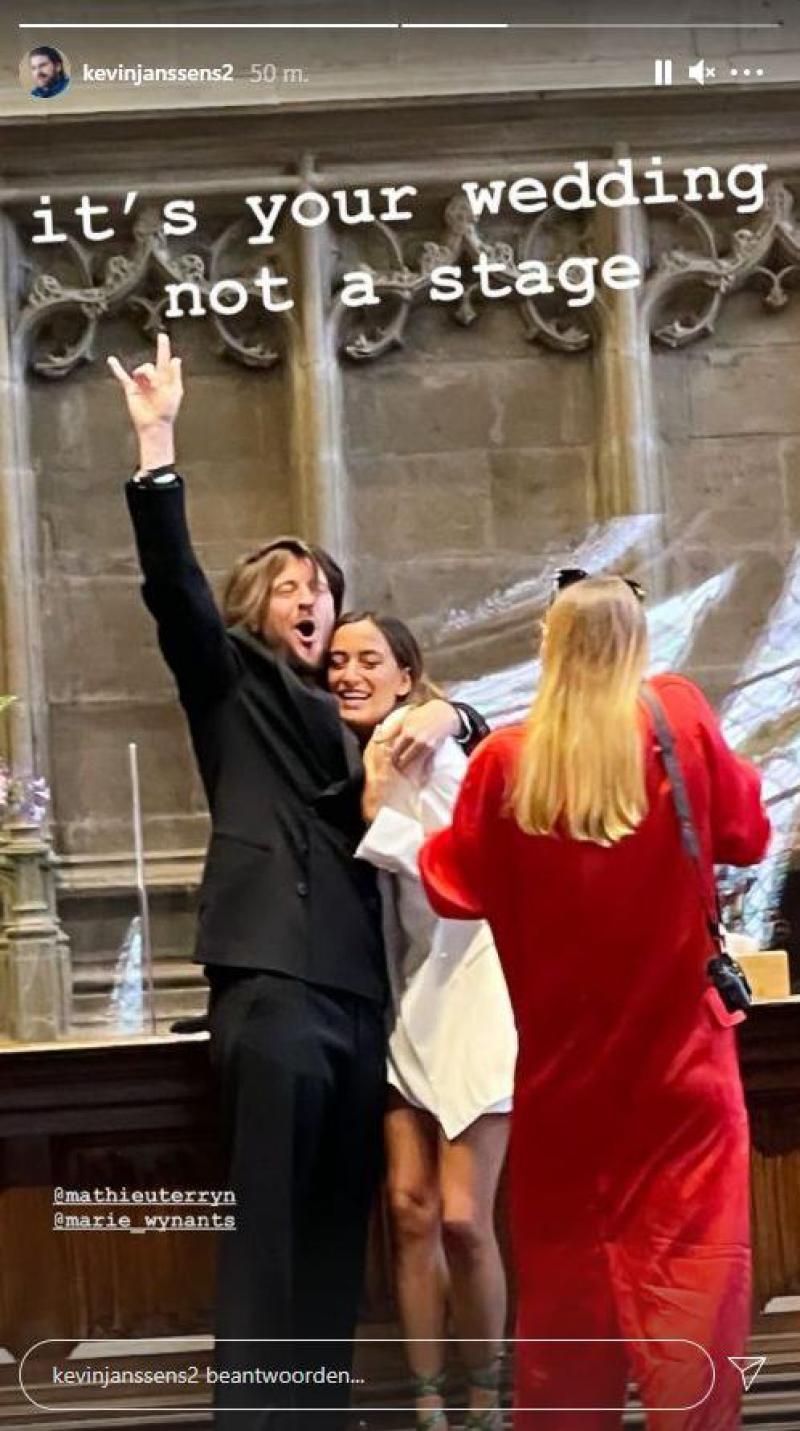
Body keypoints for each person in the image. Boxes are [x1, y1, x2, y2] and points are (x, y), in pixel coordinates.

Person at [107, 333, 487, 1431]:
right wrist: (156, 445)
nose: (311, 601)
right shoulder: (229, 682)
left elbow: (462, 722)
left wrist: (449, 711)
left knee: (330, 1233)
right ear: (256, 610)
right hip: (272, 982)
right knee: (269, 1228)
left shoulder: (360, 720)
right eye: (290, 589)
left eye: (321, 589)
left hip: (358, 998)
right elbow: (174, 589)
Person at [418, 573, 771, 1431]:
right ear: (639, 642)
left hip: (565, 1088)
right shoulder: (679, 719)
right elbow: (748, 833)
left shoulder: (507, 761)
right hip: (683, 1085)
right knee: (692, 1305)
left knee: (567, 1317)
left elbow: (450, 884)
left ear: (549, 646)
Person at [327, 612, 517, 1431]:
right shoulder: (364, 747)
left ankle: (487, 1395)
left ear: (406, 676)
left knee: (464, 1218)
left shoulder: (421, 739)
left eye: (369, 659)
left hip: (475, 982)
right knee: (409, 1209)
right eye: (337, 660)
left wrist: (380, 820)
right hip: (409, 991)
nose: (349, 672)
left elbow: (472, 869)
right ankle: (429, 1402)